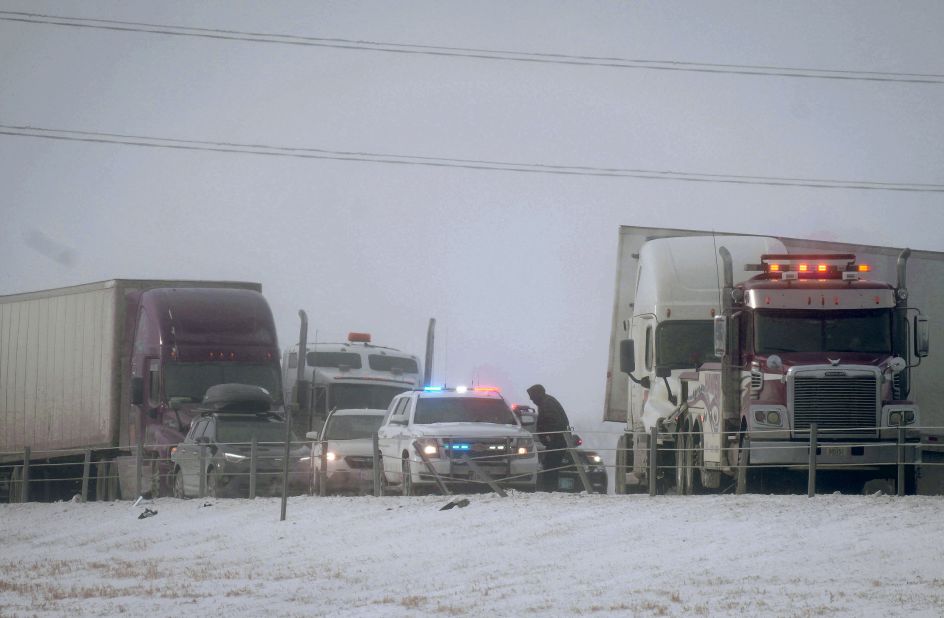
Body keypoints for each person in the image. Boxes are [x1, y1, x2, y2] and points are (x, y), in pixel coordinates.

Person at [527, 384, 571, 492]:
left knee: (550, 466)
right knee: (551, 465)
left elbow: (552, 422)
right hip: (557, 439)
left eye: (532, 396)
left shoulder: (547, 404)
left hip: (557, 440)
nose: (531, 399)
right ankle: (550, 489)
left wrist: (549, 437)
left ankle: (550, 490)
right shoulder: (547, 402)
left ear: (538, 394)